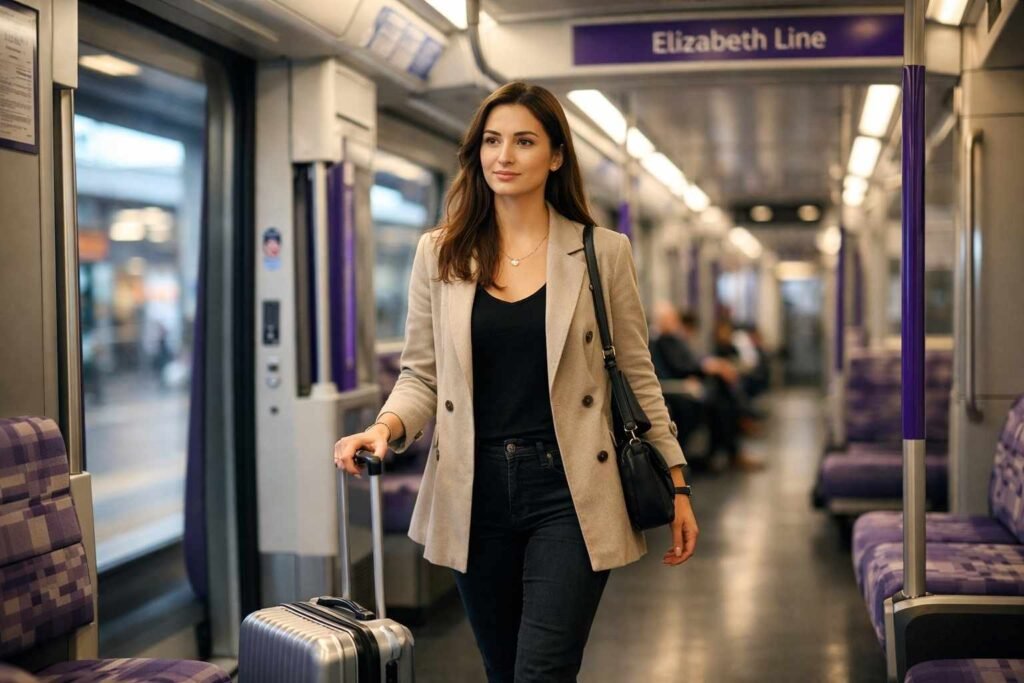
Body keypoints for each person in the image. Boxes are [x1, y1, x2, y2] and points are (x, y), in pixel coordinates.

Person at [334, 82, 698, 682]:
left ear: (555, 156)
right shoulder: (441, 253)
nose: (504, 155)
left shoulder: (601, 252)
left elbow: (637, 375)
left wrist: (677, 484)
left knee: (542, 673)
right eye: (492, 141)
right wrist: (384, 427)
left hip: (572, 486)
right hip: (471, 488)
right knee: (503, 671)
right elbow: (422, 373)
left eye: (524, 141)